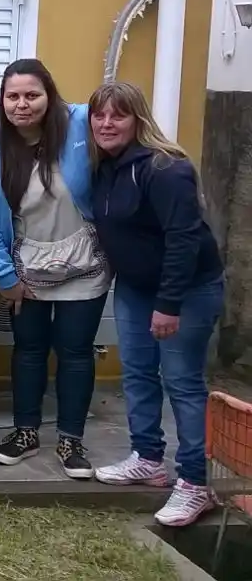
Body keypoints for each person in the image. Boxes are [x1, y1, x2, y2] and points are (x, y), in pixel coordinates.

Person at [87, 81, 225, 527]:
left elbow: (184, 240)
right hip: (135, 288)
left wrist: (169, 304)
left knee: (182, 382)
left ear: (138, 119)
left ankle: (195, 483)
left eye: (118, 115)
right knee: (139, 373)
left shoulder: (166, 169)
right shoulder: (105, 167)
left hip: (186, 291)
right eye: (99, 115)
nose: (107, 124)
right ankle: (147, 458)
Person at [0, 58, 110, 478]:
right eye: (13, 96)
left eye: (32, 95)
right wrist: (5, 276)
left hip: (84, 262)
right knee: (28, 350)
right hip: (25, 266)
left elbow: (121, 130)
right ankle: (25, 432)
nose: (22, 104)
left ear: (50, 95)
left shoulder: (81, 123)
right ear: (2, 100)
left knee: (76, 351)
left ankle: (71, 440)